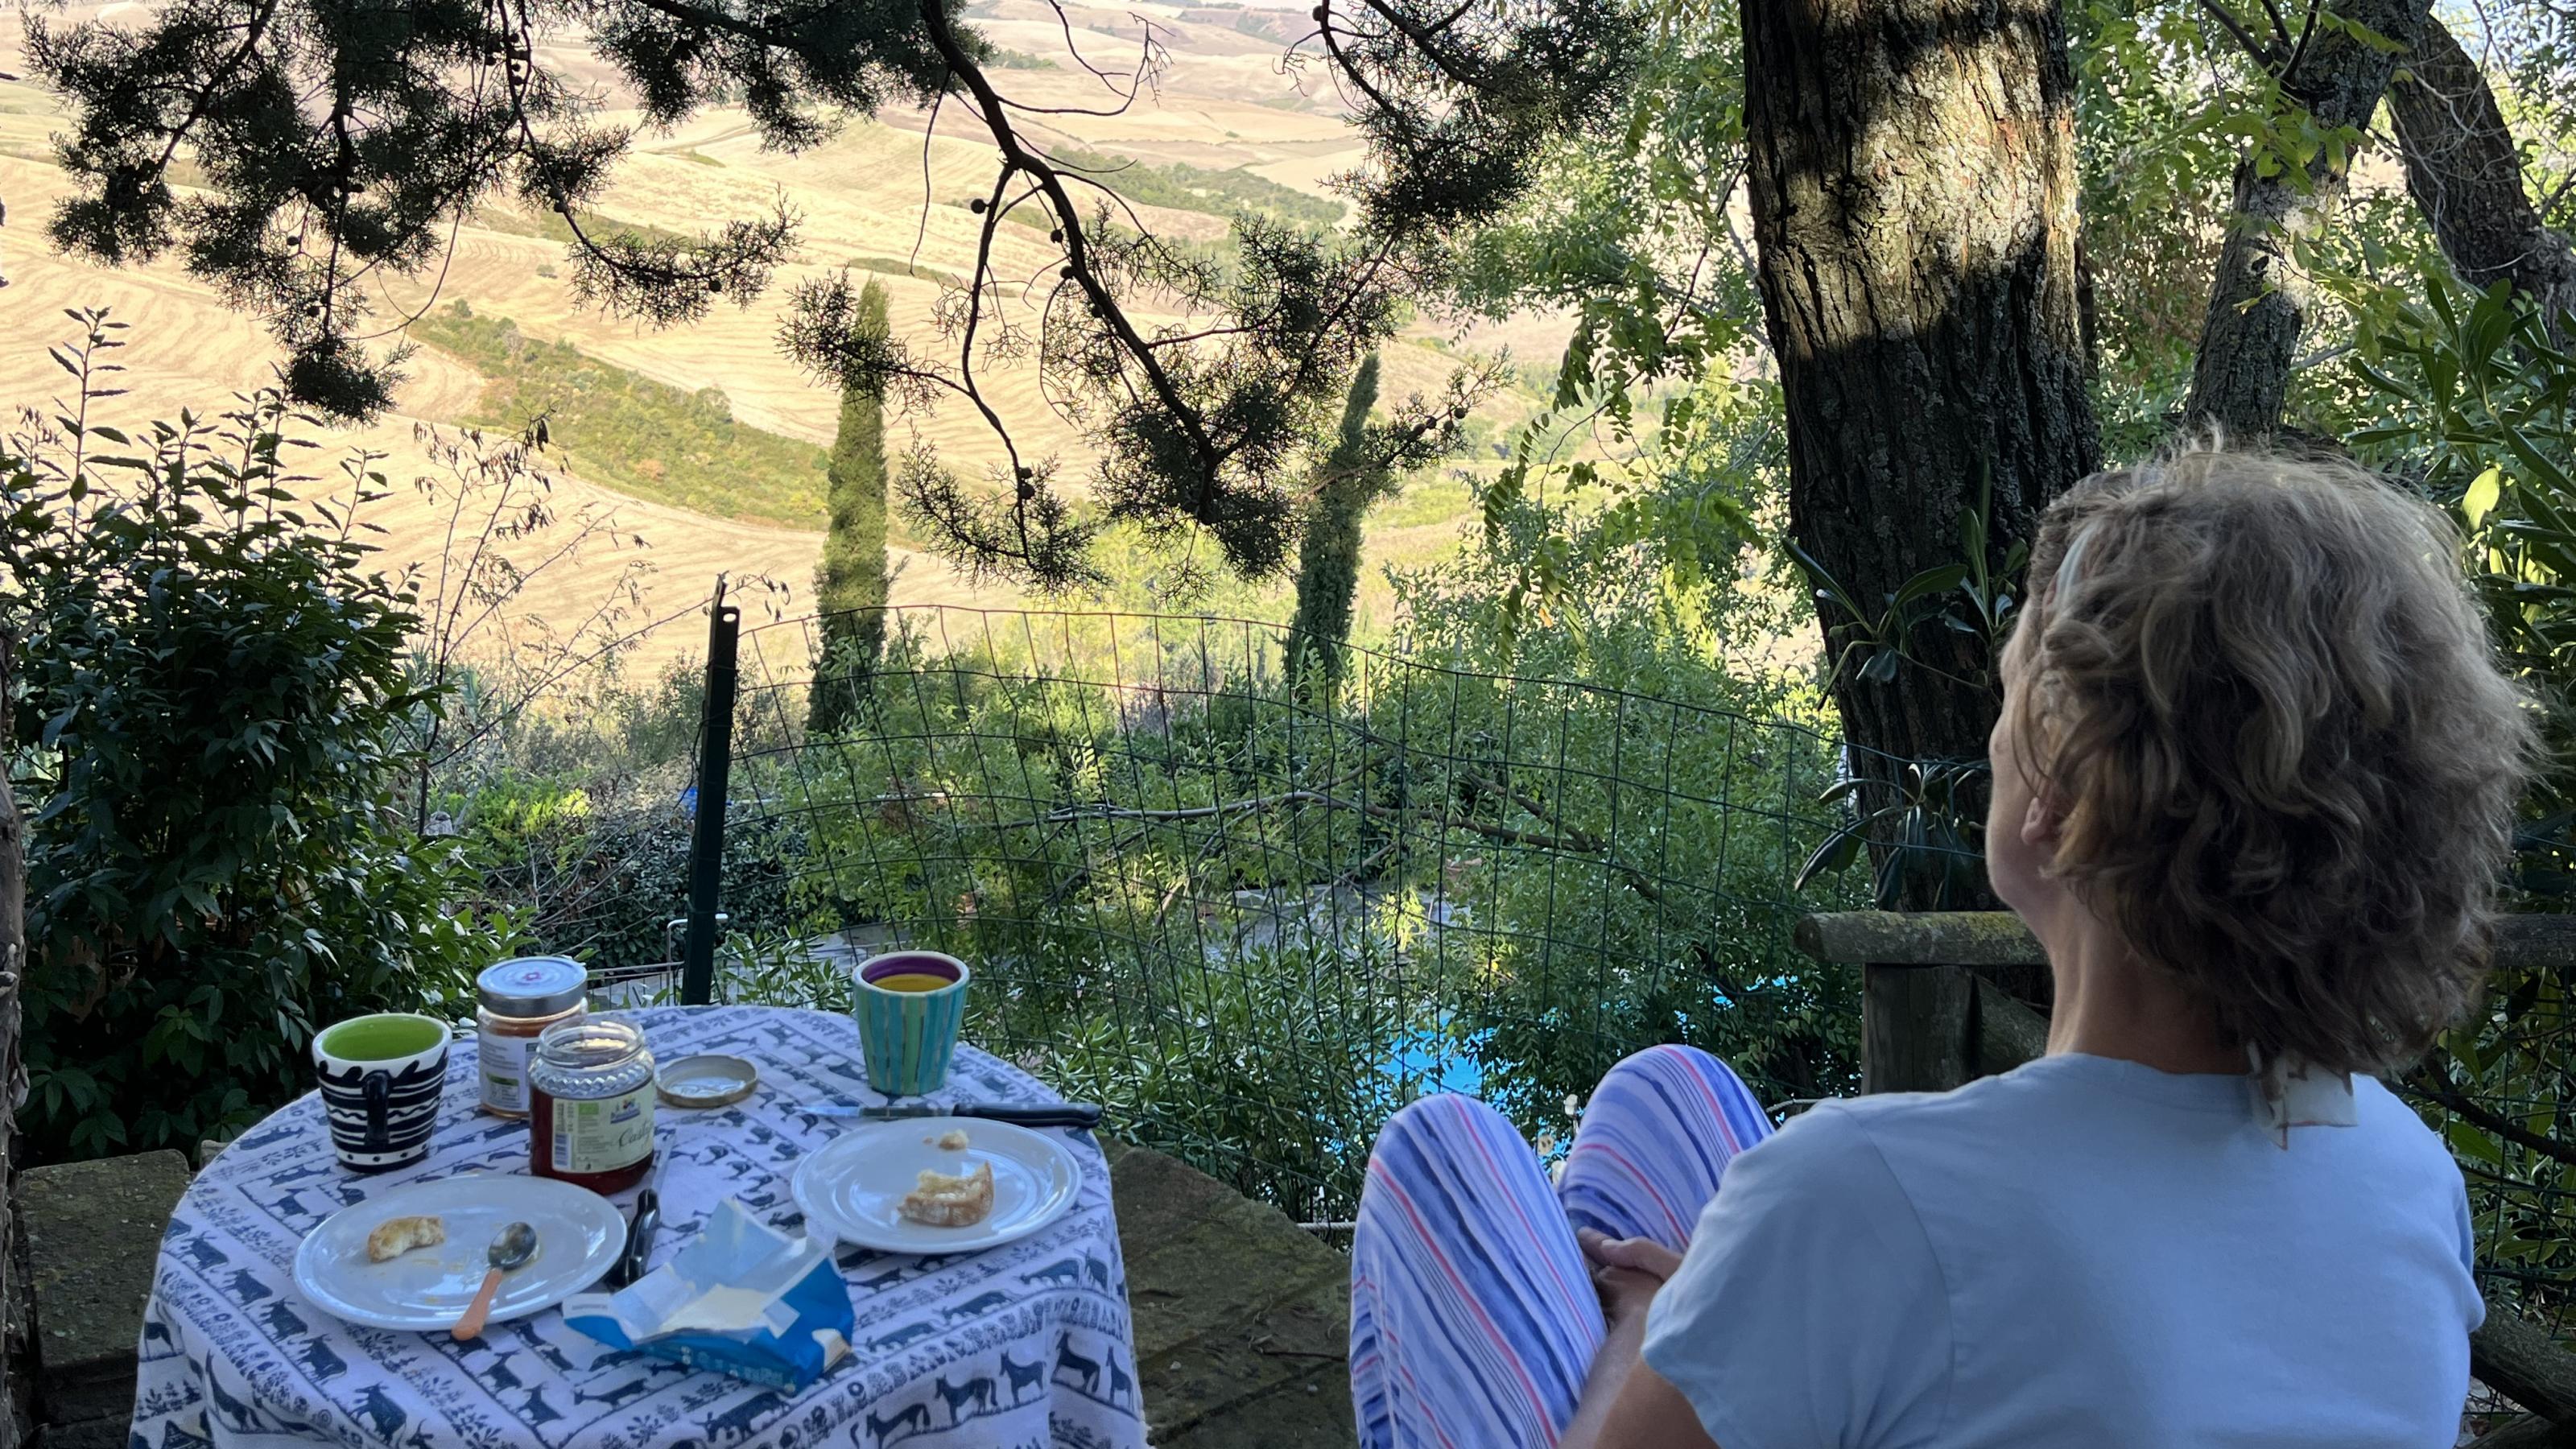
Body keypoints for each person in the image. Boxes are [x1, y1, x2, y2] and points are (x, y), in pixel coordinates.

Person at [1347, 440, 2537, 1448]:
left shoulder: (1868, 1193)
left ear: (2063, 797)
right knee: (1677, 1093)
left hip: (1836, 1250)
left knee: (1441, 1151)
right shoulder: (2405, 1179)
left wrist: (1647, 1341)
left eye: (2013, 695)